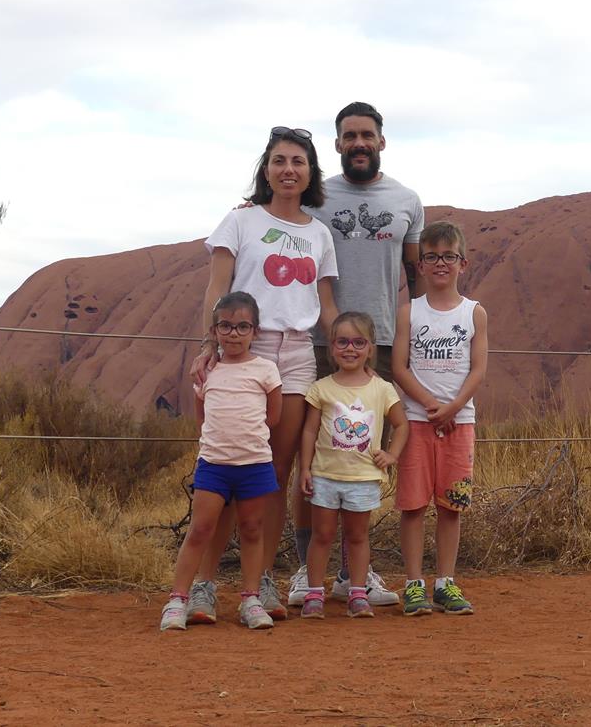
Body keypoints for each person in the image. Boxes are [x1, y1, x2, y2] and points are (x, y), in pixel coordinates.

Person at [185, 127, 338, 624]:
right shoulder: (240, 221)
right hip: (244, 349)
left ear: (310, 171)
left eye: (298, 161)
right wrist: (209, 344)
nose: (288, 169)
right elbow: (218, 285)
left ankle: (261, 580)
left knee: (274, 471)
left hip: (296, 353)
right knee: (230, 461)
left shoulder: (319, 233)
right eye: (279, 160)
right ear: (266, 169)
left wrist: (352, 353)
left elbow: (327, 305)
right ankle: (205, 585)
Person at [288, 101, 424, 610]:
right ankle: (308, 570)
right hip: (322, 341)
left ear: (382, 141)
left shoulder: (407, 199)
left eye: (368, 135)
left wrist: (414, 338)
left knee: (366, 456)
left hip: (383, 343)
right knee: (318, 455)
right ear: (338, 144)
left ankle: (355, 573)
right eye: (350, 136)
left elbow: (412, 274)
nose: (359, 143)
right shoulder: (316, 196)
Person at [160, 291, 281, 631]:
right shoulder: (208, 372)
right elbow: (201, 417)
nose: (233, 334)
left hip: (255, 463)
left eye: (243, 326)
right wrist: (220, 441)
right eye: (225, 326)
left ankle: (250, 598)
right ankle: (178, 599)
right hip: (213, 464)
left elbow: (273, 417)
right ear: (213, 332)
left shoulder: (266, 370)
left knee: (253, 529)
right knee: (200, 529)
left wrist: (246, 439)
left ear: (255, 332)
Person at [392, 220, 488, 616]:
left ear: (462, 263)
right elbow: (399, 367)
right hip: (416, 422)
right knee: (413, 506)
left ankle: (446, 583)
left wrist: (451, 409)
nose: (440, 264)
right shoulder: (408, 312)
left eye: (448, 256)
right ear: (420, 265)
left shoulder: (474, 313)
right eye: (431, 257)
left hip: (459, 422)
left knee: (452, 505)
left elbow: (478, 369)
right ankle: (414, 584)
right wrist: (433, 407)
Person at [296, 311, 408, 619]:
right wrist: (305, 468)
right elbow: (309, 430)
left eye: (359, 342)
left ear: (371, 348)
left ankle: (358, 592)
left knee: (357, 536)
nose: (350, 349)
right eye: (343, 341)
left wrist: (391, 455)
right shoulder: (322, 388)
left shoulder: (382, 388)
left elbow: (401, 425)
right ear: (331, 347)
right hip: (325, 476)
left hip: (362, 477)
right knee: (322, 535)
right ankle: (314, 593)